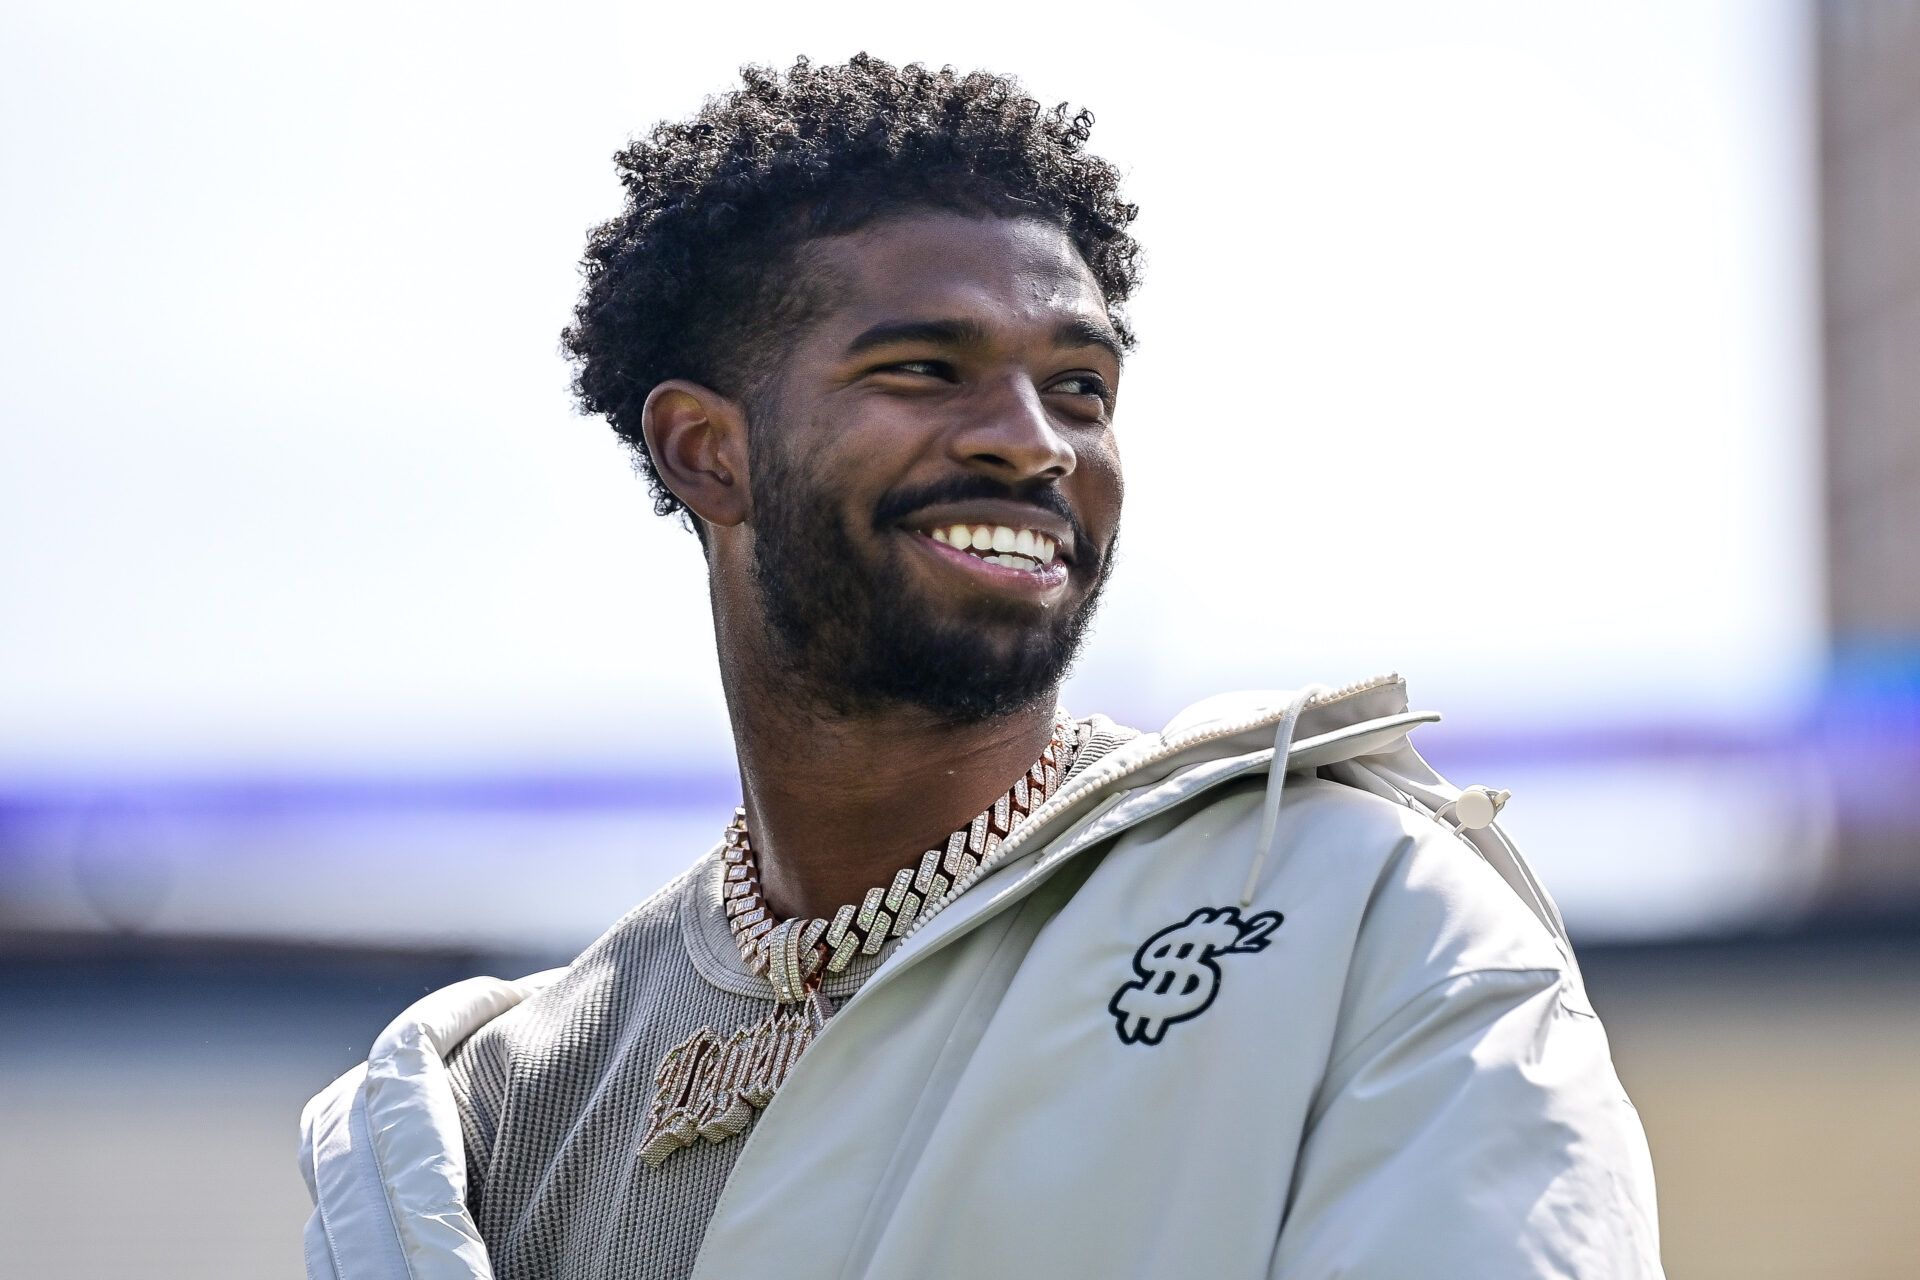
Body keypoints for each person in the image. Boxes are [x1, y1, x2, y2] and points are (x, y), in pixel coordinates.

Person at [299, 54, 1663, 1280]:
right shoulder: (501, 1102)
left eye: (1080, 388)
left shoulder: (1363, 914)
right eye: (925, 367)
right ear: (707, 451)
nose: (1033, 442)